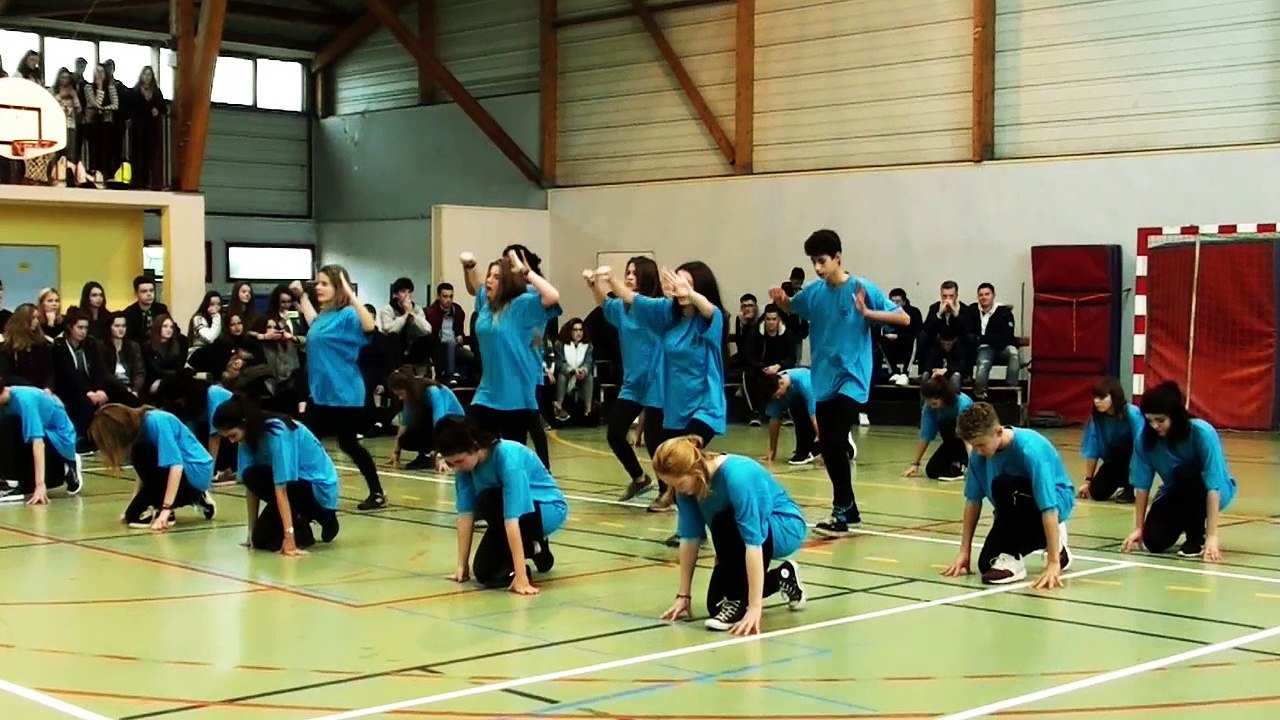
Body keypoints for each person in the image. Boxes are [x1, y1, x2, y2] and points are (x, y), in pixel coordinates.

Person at [768, 229, 908, 537]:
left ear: (838, 258)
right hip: (823, 379)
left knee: (833, 439)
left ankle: (842, 509)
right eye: (813, 262)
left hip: (852, 377)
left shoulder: (861, 288)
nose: (817, 268)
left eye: (822, 261)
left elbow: (903, 319)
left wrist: (868, 313)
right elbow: (793, 306)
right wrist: (781, 301)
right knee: (829, 446)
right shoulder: (814, 293)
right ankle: (848, 508)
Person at [601, 261, 727, 518]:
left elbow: (709, 309)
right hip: (675, 407)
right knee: (677, 469)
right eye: (676, 282)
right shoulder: (667, 315)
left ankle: (722, 505)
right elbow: (634, 300)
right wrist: (611, 279)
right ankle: (688, 525)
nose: (679, 288)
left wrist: (689, 292)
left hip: (704, 406)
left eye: (687, 283)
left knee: (687, 459)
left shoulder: (709, 319)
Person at [653, 435, 807, 634]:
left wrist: (754, 608)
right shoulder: (685, 490)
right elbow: (690, 539)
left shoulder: (737, 476)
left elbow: (753, 541)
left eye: (679, 484)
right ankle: (783, 576)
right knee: (716, 605)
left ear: (695, 471)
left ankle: (739, 599)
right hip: (737, 537)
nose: (677, 490)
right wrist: (684, 595)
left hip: (781, 528)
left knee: (724, 521)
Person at [942, 402, 1074, 588]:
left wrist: (1053, 563)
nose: (977, 451)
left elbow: (1048, 507)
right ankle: (1059, 549)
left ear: (998, 432)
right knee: (986, 565)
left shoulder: (1030, 450)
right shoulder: (978, 456)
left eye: (981, 445)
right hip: (1012, 511)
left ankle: (1029, 554)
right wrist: (965, 552)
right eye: (973, 446)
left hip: (1053, 504)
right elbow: (973, 501)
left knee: (1003, 485)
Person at [437, 416, 567, 595]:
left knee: (489, 499)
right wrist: (462, 565)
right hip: (505, 512)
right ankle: (536, 549)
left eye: (459, 461)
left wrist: (521, 578)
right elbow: (465, 514)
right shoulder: (464, 469)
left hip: (544, 509)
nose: (456, 467)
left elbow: (512, 518)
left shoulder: (507, 457)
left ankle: (531, 546)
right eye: (451, 463)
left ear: (475, 445)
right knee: (484, 572)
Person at [290, 266, 384, 510]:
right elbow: (314, 326)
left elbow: (370, 326)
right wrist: (302, 296)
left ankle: (376, 493)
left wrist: (350, 294)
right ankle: (308, 494)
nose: (318, 288)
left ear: (338, 288)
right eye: (317, 283)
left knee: (347, 444)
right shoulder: (323, 317)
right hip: (320, 394)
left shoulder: (348, 316)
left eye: (324, 284)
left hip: (344, 394)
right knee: (307, 441)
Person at [460, 250, 561, 463]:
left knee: (513, 457)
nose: (489, 280)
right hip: (487, 393)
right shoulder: (487, 303)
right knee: (473, 447)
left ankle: (541, 476)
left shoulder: (522, 303)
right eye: (489, 275)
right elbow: (475, 287)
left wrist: (525, 271)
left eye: (496, 277)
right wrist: (469, 267)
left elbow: (552, 296)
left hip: (516, 395)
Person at [1121, 381, 1236, 562]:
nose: (1154, 426)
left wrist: (1212, 536)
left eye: (1160, 420)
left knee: (1185, 473)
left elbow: (1213, 485)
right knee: (1154, 542)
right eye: (1150, 420)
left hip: (1211, 490)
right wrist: (1139, 528)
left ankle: (1196, 536)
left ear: (1175, 416)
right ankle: (1184, 520)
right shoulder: (1144, 440)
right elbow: (1142, 485)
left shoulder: (1202, 433)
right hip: (1176, 492)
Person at [213, 397, 341, 555]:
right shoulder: (247, 438)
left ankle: (318, 522)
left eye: (232, 435)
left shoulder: (278, 433)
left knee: (255, 475)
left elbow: (282, 488)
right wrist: (251, 532)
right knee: (260, 540)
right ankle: (301, 523)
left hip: (315, 488)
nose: (232, 441)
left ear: (245, 423)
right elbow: (251, 487)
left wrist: (289, 538)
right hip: (293, 487)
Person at [589, 258, 665, 501]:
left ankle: (667, 492)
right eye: (627, 272)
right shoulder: (622, 308)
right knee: (615, 433)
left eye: (634, 273)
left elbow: (633, 299)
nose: (629, 277)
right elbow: (605, 303)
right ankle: (640, 479)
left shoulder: (654, 308)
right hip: (632, 384)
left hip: (656, 382)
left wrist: (611, 279)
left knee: (654, 441)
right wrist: (594, 285)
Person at [89, 404, 216, 531]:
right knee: (133, 516)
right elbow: (144, 473)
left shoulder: (156, 421)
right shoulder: (139, 432)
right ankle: (174, 500)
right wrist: (133, 504)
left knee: (140, 452)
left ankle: (196, 496)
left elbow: (176, 465)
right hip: (178, 472)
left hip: (196, 471)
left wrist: (166, 509)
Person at [0, 379, 82, 505]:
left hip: (58, 441)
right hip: (37, 437)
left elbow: (38, 442)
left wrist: (40, 485)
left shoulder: (25, 401)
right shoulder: (6, 401)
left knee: (10, 423)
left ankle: (64, 467)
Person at [1076, 377, 1143, 504]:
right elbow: (1092, 450)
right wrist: (1088, 481)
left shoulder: (1132, 413)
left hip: (1135, 459)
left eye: (1102, 397)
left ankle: (1130, 487)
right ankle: (1120, 482)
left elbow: (1141, 445)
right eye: (1095, 397)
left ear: (1114, 396)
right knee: (1097, 493)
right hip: (1113, 461)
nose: (1096, 401)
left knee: (1121, 447)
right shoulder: (1097, 419)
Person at [385, 367, 464, 471]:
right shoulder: (411, 397)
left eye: (401, 394)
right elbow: (404, 425)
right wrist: (396, 453)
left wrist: (441, 456)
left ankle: (442, 453)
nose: (400, 398)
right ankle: (425, 456)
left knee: (425, 419)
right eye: (397, 395)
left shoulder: (432, 391)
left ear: (409, 389)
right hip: (437, 425)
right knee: (405, 439)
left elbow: (440, 423)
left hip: (454, 425)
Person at [902, 375, 974, 481]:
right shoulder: (930, 408)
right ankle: (956, 464)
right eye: (929, 404)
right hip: (951, 443)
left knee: (952, 427)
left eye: (934, 403)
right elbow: (925, 436)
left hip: (970, 440)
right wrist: (915, 464)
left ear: (944, 397)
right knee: (932, 471)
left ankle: (963, 464)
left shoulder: (963, 404)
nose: (932, 407)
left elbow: (968, 437)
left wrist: (973, 463)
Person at [762, 367, 822, 466]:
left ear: (781, 383)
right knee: (797, 412)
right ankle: (806, 449)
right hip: (798, 403)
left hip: (823, 398)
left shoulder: (805, 383)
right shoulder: (774, 390)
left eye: (778, 394)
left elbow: (816, 419)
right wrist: (772, 451)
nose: (778, 398)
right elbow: (774, 420)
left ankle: (839, 443)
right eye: (776, 396)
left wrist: (826, 455)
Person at [122, 275, 169, 345]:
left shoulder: (161, 309)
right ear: (136, 294)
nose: (149, 294)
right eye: (144, 291)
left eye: (151, 290)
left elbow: (173, 328)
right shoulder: (129, 313)